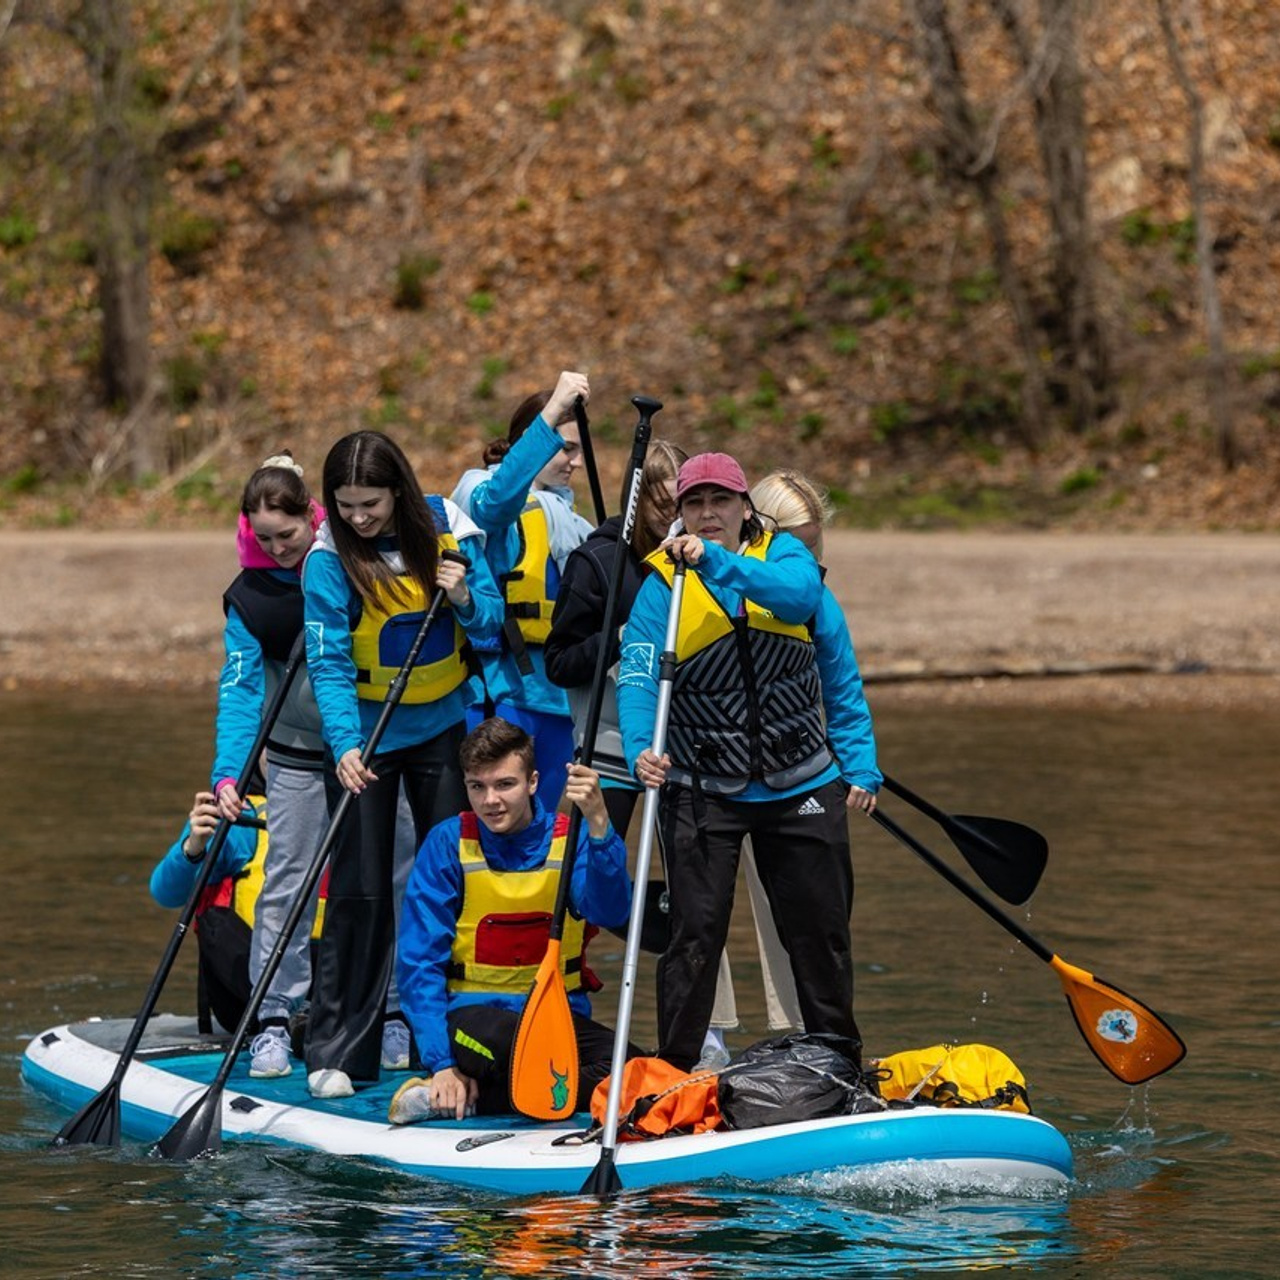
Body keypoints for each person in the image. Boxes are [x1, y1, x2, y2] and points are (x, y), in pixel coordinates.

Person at [616, 452, 862, 1072]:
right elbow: (640, 677)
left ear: (743, 506)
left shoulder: (785, 558)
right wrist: (641, 746)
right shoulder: (659, 588)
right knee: (694, 937)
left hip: (803, 779)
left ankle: (836, 1055)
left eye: (719, 502)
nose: (707, 514)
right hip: (705, 789)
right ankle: (674, 1068)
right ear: (680, 513)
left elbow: (829, 652)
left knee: (819, 933)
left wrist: (861, 765)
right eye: (694, 504)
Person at [302, 430, 504, 1099]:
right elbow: (328, 664)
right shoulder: (327, 559)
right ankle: (340, 1051)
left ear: (400, 491)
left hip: (442, 728)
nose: (358, 517)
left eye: (371, 503)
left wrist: (468, 598)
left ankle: (447, 1048)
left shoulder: (450, 531)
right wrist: (345, 747)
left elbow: (494, 629)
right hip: (368, 736)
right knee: (358, 889)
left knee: (451, 880)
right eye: (345, 504)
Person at [698, 469, 882, 1069]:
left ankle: (808, 1032)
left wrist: (860, 766)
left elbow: (842, 685)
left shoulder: (810, 591)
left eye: (814, 543)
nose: (805, 556)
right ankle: (710, 1038)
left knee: (804, 912)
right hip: (715, 778)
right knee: (706, 914)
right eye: (795, 541)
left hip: (794, 777)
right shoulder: (710, 575)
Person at [390, 717, 634, 1123]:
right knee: (520, 1046)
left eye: (505, 784)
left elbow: (610, 912)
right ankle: (465, 1085)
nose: (490, 801)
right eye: (477, 787)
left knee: (629, 1068)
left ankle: (477, 1100)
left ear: (533, 782)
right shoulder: (448, 844)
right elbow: (419, 965)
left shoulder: (569, 837)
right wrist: (442, 1064)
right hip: (469, 1022)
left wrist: (599, 824)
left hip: (553, 1018)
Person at [208, 454, 333, 1078]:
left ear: (311, 517)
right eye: (264, 539)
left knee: (386, 880)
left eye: (288, 535)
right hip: (292, 759)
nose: (278, 548)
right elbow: (239, 694)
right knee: (288, 882)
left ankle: (387, 1015)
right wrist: (227, 776)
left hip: (365, 754)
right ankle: (274, 1021)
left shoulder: (344, 564)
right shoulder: (249, 600)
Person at [451, 370, 595, 785]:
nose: (577, 462)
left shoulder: (575, 524)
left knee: (542, 827)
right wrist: (553, 411)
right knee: (493, 822)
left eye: (580, 450)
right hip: (497, 694)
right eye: (565, 448)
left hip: (558, 699)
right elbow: (496, 505)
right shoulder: (479, 489)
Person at [543, 439, 688, 835]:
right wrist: (622, 637)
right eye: (661, 504)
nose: (673, 517)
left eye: (683, 504)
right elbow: (559, 664)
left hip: (683, 748)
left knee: (689, 879)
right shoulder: (596, 563)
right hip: (607, 745)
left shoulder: (699, 561)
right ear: (636, 501)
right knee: (593, 867)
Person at [150, 789, 267, 1036]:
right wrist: (193, 848)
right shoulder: (238, 820)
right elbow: (166, 893)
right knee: (215, 919)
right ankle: (284, 1015)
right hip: (247, 997)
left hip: (329, 980)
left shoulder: (342, 803)